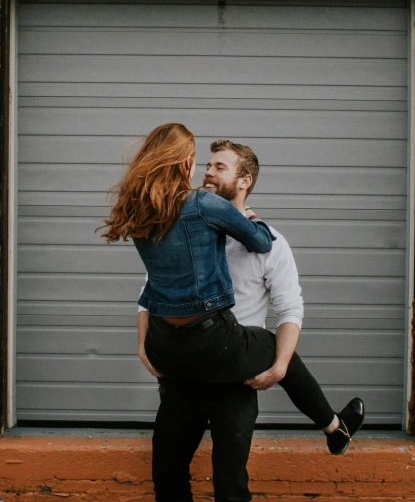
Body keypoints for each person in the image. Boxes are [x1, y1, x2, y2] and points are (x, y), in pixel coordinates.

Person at [100, 123, 364, 465]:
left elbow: (289, 306)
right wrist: (141, 343)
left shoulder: (258, 239)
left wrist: (279, 367)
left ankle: (335, 428)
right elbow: (149, 287)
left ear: (244, 181)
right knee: (167, 470)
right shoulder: (189, 215)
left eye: (219, 167)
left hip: (226, 365)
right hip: (204, 357)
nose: (207, 172)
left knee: (228, 482)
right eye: (205, 164)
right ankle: (334, 426)